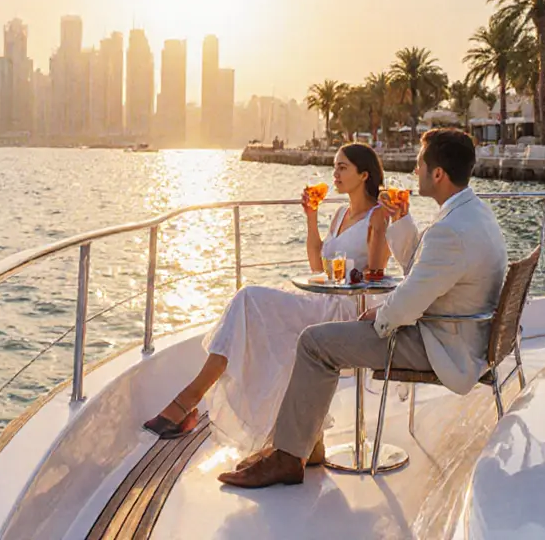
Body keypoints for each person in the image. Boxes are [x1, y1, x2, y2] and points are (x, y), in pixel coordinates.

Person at [218, 128, 509, 488]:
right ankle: (304, 445)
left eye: (419, 165)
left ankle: (289, 456)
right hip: (462, 334)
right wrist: (402, 220)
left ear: (438, 174)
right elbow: (422, 270)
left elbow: (412, 297)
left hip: (441, 345)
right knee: (324, 337)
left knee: (314, 343)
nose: (414, 171)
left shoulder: (450, 230)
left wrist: (380, 316)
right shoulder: (474, 215)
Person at [142, 143, 418, 457]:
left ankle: (189, 401)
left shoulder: (378, 214)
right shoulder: (340, 213)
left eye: (343, 167)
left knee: (249, 301)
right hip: (324, 297)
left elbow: (376, 271)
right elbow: (318, 268)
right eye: (335, 166)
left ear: (364, 174)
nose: (335, 173)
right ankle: (304, 438)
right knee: (255, 317)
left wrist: (379, 229)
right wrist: (311, 216)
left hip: (350, 307)